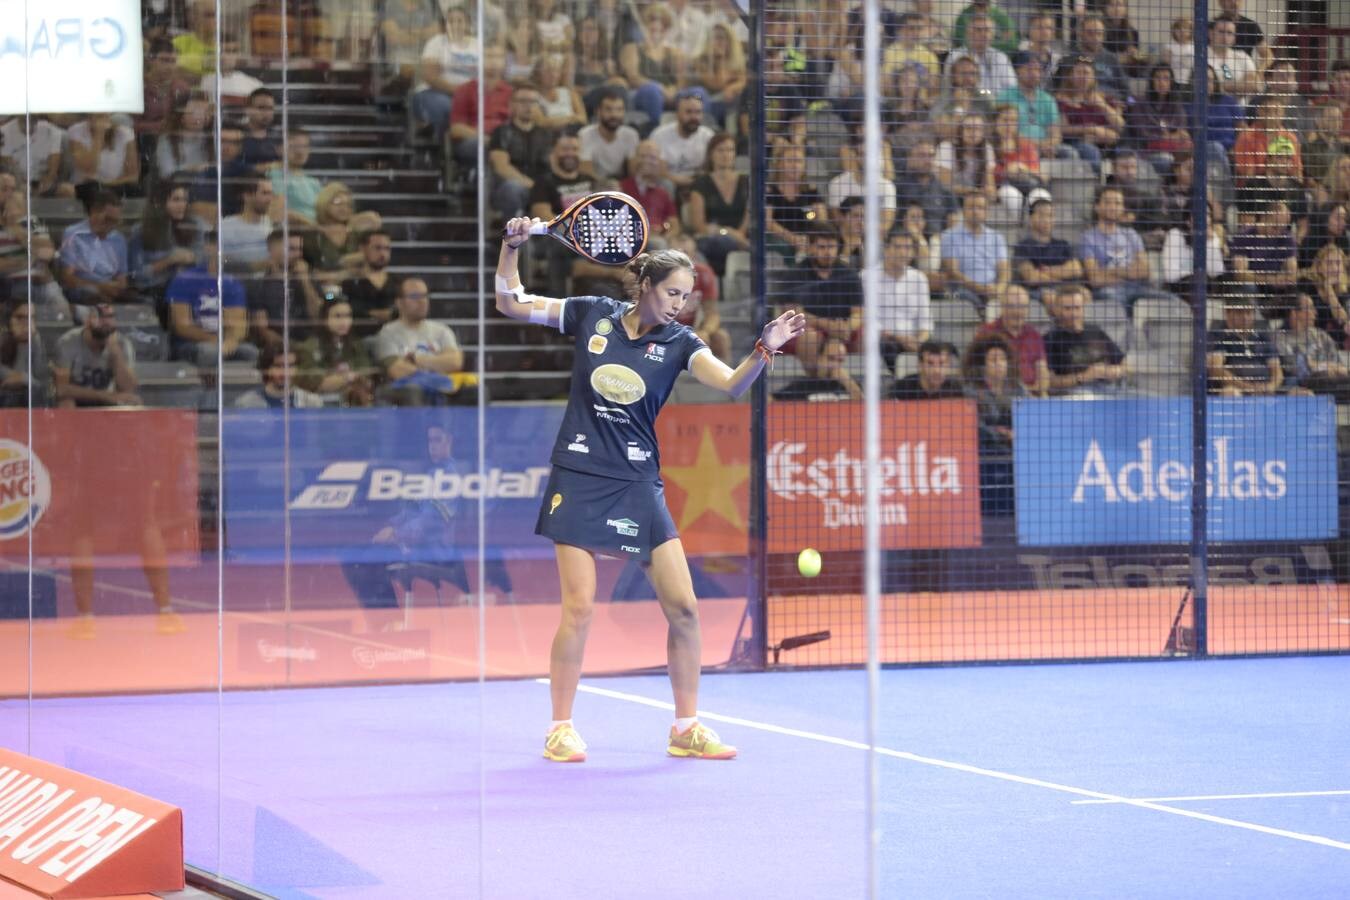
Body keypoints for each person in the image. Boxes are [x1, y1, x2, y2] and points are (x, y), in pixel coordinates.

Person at [496, 217, 806, 762]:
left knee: (685, 607)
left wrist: (764, 349)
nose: (678, 305)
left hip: (638, 482)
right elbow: (510, 303)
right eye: (671, 293)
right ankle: (560, 728)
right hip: (580, 474)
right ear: (644, 285)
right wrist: (510, 247)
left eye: (686, 297)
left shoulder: (682, 341)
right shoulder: (590, 313)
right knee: (580, 607)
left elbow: (733, 385)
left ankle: (685, 727)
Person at [166, 230, 259, 367]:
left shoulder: (232, 282)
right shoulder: (185, 279)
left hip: (223, 344)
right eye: (219, 245)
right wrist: (216, 340)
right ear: (208, 247)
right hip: (190, 344)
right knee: (210, 352)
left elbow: (238, 324)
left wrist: (231, 341)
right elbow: (182, 326)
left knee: (250, 352)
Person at [782, 223, 864, 377]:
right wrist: (828, 325)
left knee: (866, 334)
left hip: (842, 328)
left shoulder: (849, 274)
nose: (828, 252)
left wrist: (847, 327)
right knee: (810, 338)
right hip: (809, 330)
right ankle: (815, 384)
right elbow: (794, 315)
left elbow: (859, 313)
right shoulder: (795, 274)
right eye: (822, 247)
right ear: (811, 247)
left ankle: (857, 383)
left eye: (832, 247)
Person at [374, 276, 469, 406]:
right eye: (414, 296)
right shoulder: (388, 333)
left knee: (475, 391)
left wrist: (417, 359)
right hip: (406, 389)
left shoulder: (441, 330)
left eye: (425, 296)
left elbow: (455, 363)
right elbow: (397, 371)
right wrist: (437, 367)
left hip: (440, 385)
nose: (422, 301)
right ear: (399, 302)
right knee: (414, 390)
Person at [1079, 186, 1168, 314]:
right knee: (1116, 305)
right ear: (1097, 207)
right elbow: (1095, 279)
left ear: (1122, 208)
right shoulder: (1088, 238)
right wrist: (1128, 272)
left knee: (1172, 301)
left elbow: (1145, 271)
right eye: (1108, 202)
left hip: (1139, 288)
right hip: (1108, 291)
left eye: (1118, 203)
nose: (1113, 206)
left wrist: (1108, 272)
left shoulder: (1131, 234)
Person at [129, 180, 206, 304]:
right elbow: (138, 275)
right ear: (159, 202)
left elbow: (201, 259)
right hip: (155, 290)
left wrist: (190, 258)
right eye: (176, 200)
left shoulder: (195, 225)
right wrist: (169, 260)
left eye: (184, 199)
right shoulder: (140, 231)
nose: (182, 205)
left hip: (187, 286)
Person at [411, 5, 479, 142]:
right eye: (450, 21)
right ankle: (445, 148)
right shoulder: (436, 42)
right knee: (449, 108)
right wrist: (460, 92)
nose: (455, 25)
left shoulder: (477, 45)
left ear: (468, 24)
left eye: (460, 21)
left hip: (470, 96)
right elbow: (431, 76)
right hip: (434, 93)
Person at [52, 303, 141, 408]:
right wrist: (106, 396)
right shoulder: (67, 342)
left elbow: (129, 388)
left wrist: (116, 353)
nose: (106, 322)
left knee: (131, 401)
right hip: (77, 398)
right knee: (65, 401)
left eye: (110, 317)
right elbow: (62, 389)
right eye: (100, 317)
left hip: (107, 400)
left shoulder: (122, 344)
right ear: (87, 320)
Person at [1045, 284, 1129, 394]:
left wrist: (1115, 371)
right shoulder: (1050, 339)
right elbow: (1050, 382)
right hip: (1074, 392)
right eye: (1067, 308)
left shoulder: (1096, 331)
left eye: (1077, 308)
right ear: (1056, 310)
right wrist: (1084, 376)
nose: (1073, 314)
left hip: (1109, 389)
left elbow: (1124, 363)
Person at [686, 133, 749, 277]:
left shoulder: (746, 182)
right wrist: (728, 232)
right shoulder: (701, 184)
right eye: (720, 150)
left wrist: (739, 235)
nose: (726, 154)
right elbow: (699, 225)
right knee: (710, 244)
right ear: (711, 154)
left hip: (743, 239)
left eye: (730, 150)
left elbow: (749, 218)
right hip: (712, 239)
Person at [487, 82, 554, 219]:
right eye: (523, 101)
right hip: (513, 187)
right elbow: (502, 168)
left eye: (533, 102)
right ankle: (516, 237)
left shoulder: (547, 135)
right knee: (513, 188)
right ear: (512, 105)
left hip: (542, 189)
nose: (528, 106)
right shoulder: (501, 132)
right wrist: (534, 186)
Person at [296, 295, 377, 406]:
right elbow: (320, 385)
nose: (344, 321)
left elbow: (366, 377)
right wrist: (350, 377)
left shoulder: (356, 344)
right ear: (324, 319)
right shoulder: (309, 348)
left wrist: (342, 379)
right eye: (337, 316)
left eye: (348, 316)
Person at [248, 229, 323, 348]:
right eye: (291, 249)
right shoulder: (259, 283)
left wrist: (304, 280)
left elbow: (318, 315)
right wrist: (290, 347)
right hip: (278, 346)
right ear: (272, 250)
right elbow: (263, 330)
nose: (298, 254)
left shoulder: (309, 279)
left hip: (311, 342)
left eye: (299, 249)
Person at [872, 229, 933, 374]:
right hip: (883, 340)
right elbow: (867, 320)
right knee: (887, 347)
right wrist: (897, 338)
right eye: (897, 247)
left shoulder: (919, 279)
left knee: (943, 350)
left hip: (913, 341)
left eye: (907, 248)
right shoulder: (867, 278)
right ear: (886, 249)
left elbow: (926, 322)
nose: (903, 252)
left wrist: (919, 341)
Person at [58, 190, 133, 305]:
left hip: (110, 290)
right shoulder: (73, 234)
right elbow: (67, 278)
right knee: (97, 298)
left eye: (115, 221)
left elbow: (121, 278)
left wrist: (117, 289)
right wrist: (100, 287)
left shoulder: (118, 239)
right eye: (108, 220)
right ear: (94, 212)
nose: (111, 226)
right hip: (82, 289)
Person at [973, 284, 1049, 393]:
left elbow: (1042, 372)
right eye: (1012, 306)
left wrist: (1036, 391)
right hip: (997, 398)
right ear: (1002, 307)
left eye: (1022, 307)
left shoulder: (1034, 335)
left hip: (1030, 397)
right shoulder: (986, 334)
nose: (1017, 312)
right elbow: (976, 372)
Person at [1274, 293, 1350, 401]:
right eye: (1310, 308)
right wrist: (1326, 367)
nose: (1315, 312)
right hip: (1304, 384)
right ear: (1294, 313)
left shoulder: (1321, 335)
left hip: (1334, 382)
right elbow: (1299, 368)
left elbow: (1340, 366)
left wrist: (1320, 366)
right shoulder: (1280, 338)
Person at [941, 192, 1009, 311]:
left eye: (980, 208)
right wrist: (981, 288)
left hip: (993, 289)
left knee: (1014, 297)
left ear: (986, 212)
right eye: (971, 207)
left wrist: (1000, 289)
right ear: (963, 211)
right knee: (964, 296)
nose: (975, 211)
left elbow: (1004, 270)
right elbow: (953, 272)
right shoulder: (949, 236)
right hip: (963, 289)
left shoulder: (997, 237)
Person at [1206, 291, 1281, 395]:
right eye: (1239, 312)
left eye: (1248, 312)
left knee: (1301, 393)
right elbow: (1216, 369)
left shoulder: (1263, 336)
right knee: (1231, 393)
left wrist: (1271, 386)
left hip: (1264, 389)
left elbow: (1277, 370)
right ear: (1227, 313)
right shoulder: (1218, 335)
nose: (1245, 317)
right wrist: (1247, 387)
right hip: (1235, 389)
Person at [1014, 198, 1082, 303]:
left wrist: (1044, 270)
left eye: (1050, 215)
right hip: (1037, 291)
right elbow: (1032, 277)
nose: (1046, 219)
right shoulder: (1022, 246)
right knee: (1050, 296)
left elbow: (1076, 269)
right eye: (1041, 215)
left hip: (1065, 290)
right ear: (1031, 219)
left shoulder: (1063, 244)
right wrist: (1061, 276)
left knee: (1085, 294)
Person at [648, 91, 715, 191]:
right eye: (688, 112)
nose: (694, 117)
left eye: (698, 112)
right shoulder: (660, 135)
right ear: (677, 114)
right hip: (669, 184)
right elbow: (659, 171)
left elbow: (711, 168)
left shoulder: (708, 136)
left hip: (699, 184)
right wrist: (682, 181)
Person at [342, 230, 400, 339]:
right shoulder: (350, 282)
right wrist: (377, 314)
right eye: (377, 248)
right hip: (359, 337)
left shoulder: (397, 282)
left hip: (394, 338)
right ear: (363, 249)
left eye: (387, 249)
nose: (382, 254)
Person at [234, 343, 326, 409]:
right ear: (266, 369)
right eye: (278, 366)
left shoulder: (313, 403)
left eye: (290, 366)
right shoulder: (246, 404)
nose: (285, 372)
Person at [578, 88, 640, 183]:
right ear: (598, 112)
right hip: (595, 185)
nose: (614, 114)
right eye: (608, 109)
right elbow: (586, 173)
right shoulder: (585, 135)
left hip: (622, 185)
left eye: (619, 109)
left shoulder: (631, 135)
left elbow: (634, 173)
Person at [68, 114, 140, 194]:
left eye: (104, 116)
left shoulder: (125, 133)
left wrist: (105, 185)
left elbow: (133, 176)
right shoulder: (76, 130)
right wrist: (99, 136)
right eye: (98, 116)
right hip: (84, 186)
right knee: (67, 190)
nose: (101, 120)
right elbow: (89, 169)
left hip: (115, 186)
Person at [943, 13, 1014, 95]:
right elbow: (947, 88)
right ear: (968, 33)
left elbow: (1011, 88)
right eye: (978, 30)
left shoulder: (1001, 57)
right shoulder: (955, 56)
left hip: (997, 104)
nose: (983, 34)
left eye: (987, 30)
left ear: (993, 34)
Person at [0, 301, 49, 407]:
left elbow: (42, 384)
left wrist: (23, 379)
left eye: (31, 318)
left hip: (23, 400)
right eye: (20, 317)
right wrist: (24, 379)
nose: (27, 323)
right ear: (8, 320)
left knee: (33, 394)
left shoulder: (35, 340)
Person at [1208, 15, 1261, 103]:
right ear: (1210, 33)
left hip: (1239, 113)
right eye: (1221, 32)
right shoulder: (1200, 56)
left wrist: (1220, 86)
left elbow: (1255, 86)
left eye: (1229, 33)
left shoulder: (1242, 57)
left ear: (1234, 37)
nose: (1225, 37)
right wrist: (1240, 86)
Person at [891, 339, 963, 399]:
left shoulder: (955, 389)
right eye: (930, 363)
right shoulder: (903, 387)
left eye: (941, 363)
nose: (936, 370)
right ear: (920, 365)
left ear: (948, 364)